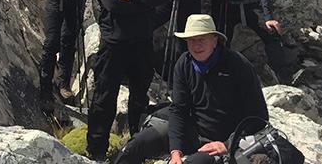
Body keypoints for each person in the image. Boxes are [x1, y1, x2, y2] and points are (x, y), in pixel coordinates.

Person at [111, 14, 268, 164]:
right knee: (135, 146)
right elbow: (179, 110)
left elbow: (259, 117)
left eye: (202, 39)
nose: (196, 45)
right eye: (191, 40)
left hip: (223, 141)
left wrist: (227, 144)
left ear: (215, 40)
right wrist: (175, 151)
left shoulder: (237, 65)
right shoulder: (184, 63)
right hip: (192, 131)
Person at [86, 0, 170, 161]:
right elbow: (111, 3)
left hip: (142, 43)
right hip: (114, 44)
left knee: (140, 98)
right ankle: (96, 151)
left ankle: (137, 147)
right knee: (104, 99)